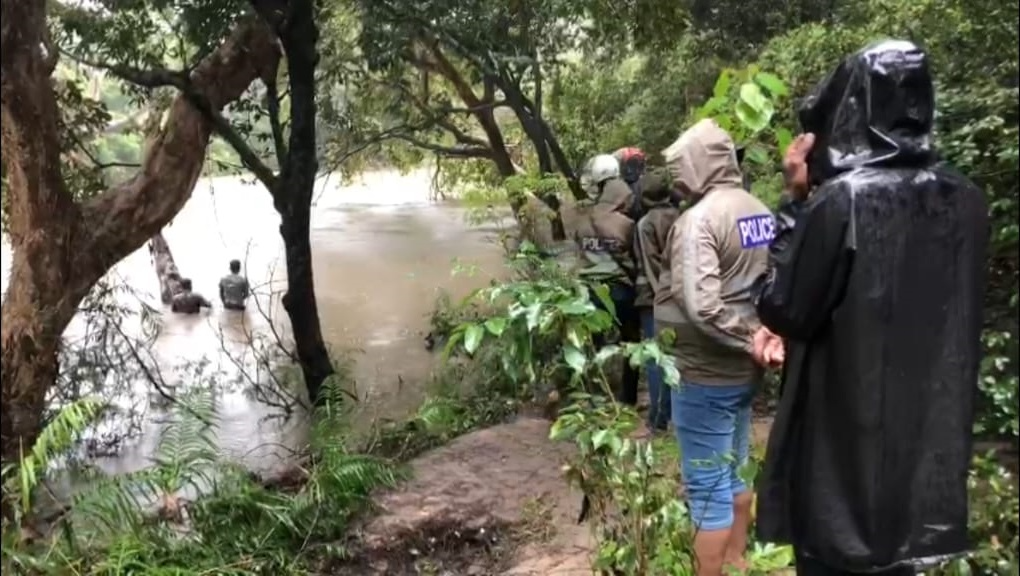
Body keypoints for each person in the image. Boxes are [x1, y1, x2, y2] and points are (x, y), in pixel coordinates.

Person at [751, 40, 989, 576]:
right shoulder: (966, 198)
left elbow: (785, 309)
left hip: (842, 452)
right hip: (923, 450)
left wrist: (794, 204)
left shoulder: (843, 201)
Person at [657, 118, 775, 576]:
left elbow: (702, 306)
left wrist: (749, 339)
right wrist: (760, 338)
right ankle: (737, 560)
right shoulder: (758, 212)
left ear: (699, 163)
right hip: (746, 373)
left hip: (706, 373)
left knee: (707, 487)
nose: (677, 179)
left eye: (681, 167)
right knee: (736, 468)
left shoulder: (699, 221)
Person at [569, 153, 642, 408]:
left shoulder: (581, 222)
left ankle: (594, 398)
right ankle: (628, 398)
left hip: (589, 293)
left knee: (593, 346)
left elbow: (579, 255)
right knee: (632, 343)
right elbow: (635, 261)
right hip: (620, 290)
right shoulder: (627, 225)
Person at [634, 167, 680, 433]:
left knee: (655, 358)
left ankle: (659, 418)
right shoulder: (681, 216)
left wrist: (663, 297)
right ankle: (673, 413)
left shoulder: (646, 224)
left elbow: (651, 266)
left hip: (654, 298)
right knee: (677, 357)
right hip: (681, 295)